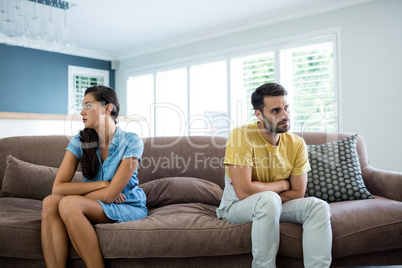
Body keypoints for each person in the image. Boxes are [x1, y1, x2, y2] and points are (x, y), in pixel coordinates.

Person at [216, 83, 332, 268]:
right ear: (259, 115)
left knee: (317, 206)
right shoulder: (241, 136)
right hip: (235, 207)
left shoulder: (297, 143)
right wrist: (282, 184)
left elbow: (298, 193)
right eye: (276, 110)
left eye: (286, 108)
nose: (285, 115)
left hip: (272, 204)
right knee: (268, 200)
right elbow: (244, 193)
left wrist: (267, 192)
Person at [41, 85, 147, 268]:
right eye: (82, 106)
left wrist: (106, 189)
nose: (82, 112)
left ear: (108, 108)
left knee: (67, 202)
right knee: (50, 201)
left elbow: (110, 196)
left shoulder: (132, 141)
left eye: (88, 105)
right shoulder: (79, 141)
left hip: (127, 205)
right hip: (94, 202)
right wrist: (103, 184)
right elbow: (58, 188)